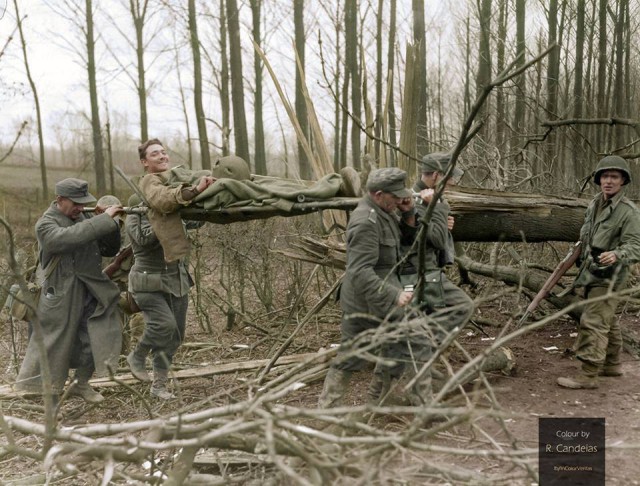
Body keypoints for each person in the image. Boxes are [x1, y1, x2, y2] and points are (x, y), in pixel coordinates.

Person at [318, 167, 422, 408]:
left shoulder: (384, 212)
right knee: (351, 357)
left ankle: (380, 400)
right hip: (364, 302)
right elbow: (360, 270)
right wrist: (394, 294)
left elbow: (406, 244)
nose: (399, 200)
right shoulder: (366, 220)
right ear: (378, 194)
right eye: (395, 196)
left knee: (399, 343)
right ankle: (328, 411)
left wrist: (409, 214)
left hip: (380, 298)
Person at [15, 178, 124, 404]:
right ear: (59, 200)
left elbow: (109, 249)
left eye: (83, 203)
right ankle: (45, 389)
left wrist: (110, 224)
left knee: (96, 337)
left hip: (90, 288)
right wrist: (102, 220)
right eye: (75, 203)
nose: (80, 208)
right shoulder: (46, 223)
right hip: (59, 292)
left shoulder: (84, 218)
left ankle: (80, 383)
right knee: (53, 343)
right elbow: (67, 238)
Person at [125, 138, 212, 399]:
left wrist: (194, 214)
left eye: (164, 152)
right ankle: (137, 357)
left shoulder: (173, 191)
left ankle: (159, 385)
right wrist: (162, 218)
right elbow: (141, 239)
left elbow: (192, 226)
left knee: (175, 335)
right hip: (148, 280)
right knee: (163, 325)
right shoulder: (136, 203)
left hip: (176, 277)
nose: (162, 156)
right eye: (155, 154)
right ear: (144, 162)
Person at [557, 155, 640, 389]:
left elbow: (636, 245)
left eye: (614, 177)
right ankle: (611, 365)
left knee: (593, 320)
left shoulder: (629, 212)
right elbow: (587, 236)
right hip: (592, 271)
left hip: (613, 276)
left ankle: (588, 374)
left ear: (623, 180)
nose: (609, 181)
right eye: (605, 176)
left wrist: (617, 254)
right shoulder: (595, 204)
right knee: (607, 317)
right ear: (598, 179)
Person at [404, 152, 474, 356]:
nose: (452, 182)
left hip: (428, 271)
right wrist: (440, 211)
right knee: (463, 306)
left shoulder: (429, 199)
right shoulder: (414, 201)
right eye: (449, 176)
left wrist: (443, 223)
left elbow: (435, 235)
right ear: (436, 175)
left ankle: (419, 350)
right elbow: (434, 239)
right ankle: (422, 350)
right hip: (418, 273)